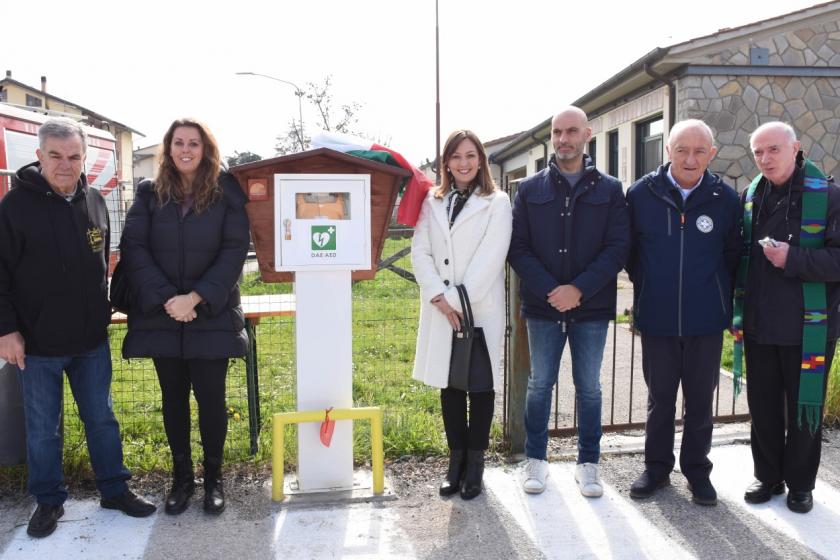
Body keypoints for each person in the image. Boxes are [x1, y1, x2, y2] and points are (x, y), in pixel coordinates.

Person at [0, 118, 155, 538]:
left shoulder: (96, 201)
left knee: (102, 419)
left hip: (90, 341)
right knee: (43, 430)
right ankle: (49, 500)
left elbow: (101, 263)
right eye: (55, 156)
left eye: (73, 156)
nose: (65, 165)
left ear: (84, 158)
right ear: (39, 156)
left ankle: (114, 489)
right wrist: (6, 330)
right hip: (37, 344)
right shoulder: (14, 207)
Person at [120, 118, 250, 515]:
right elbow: (134, 247)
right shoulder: (149, 193)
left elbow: (234, 251)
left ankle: (213, 479)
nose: (186, 150)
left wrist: (195, 298)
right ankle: (182, 479)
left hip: (211, 314)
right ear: (169, 148)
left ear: (206, 149)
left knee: (211, 401)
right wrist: (169, 300)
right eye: (178, 143)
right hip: (163, 316)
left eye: (194, 143)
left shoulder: (227, 192)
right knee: (173, 400)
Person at [508, 107, 629, 496]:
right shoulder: (530, 190)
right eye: (557, 132)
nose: (563, 139)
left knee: (589, 387)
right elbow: (518, 248)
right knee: (540, 384)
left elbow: (618, 247)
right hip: (543, 307)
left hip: (590, 307)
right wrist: (552, 289)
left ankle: (588, 464)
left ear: (587, 134)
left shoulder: (610, 190)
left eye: (571, 131)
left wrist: (578, 289)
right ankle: (536, 460)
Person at [625, 119, 741, 506]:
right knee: (660, 400)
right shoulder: (641, 194)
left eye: (699, 151)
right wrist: (651, 286)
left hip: (705, 322)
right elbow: (630, 254)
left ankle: (697, 472)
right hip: (656, 319)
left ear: (712, 154)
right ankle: (657, 468)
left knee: (700, 402)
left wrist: (716, 296)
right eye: (681, 150)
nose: (690, 159)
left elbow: (732, 256)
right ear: (668, 151)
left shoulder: (725, 199)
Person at [735, 121, 840, 514]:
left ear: (796, 148)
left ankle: (800, 484)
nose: (765, 159)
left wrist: (792, 258)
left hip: (808, 327)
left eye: (773, 149)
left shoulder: (829, 197)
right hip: (760, 323)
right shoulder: (750, 197)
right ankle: (767, 476)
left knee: (803, 410)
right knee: (762, 407)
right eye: (758, 152)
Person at [412, 129, 512, 500]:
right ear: (446, 163)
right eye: (456, 156)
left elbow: (492, 256)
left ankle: (476, 466)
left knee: (480, 386)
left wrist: (455, 300)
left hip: (478, 306)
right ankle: (455, 463)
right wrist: (438, 297)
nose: (464, 163)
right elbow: (420, 250)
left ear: (481, 160)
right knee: (450, 384)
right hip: (441, 309)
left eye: (470, 155)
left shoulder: (497, 202)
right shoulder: (433, 200)